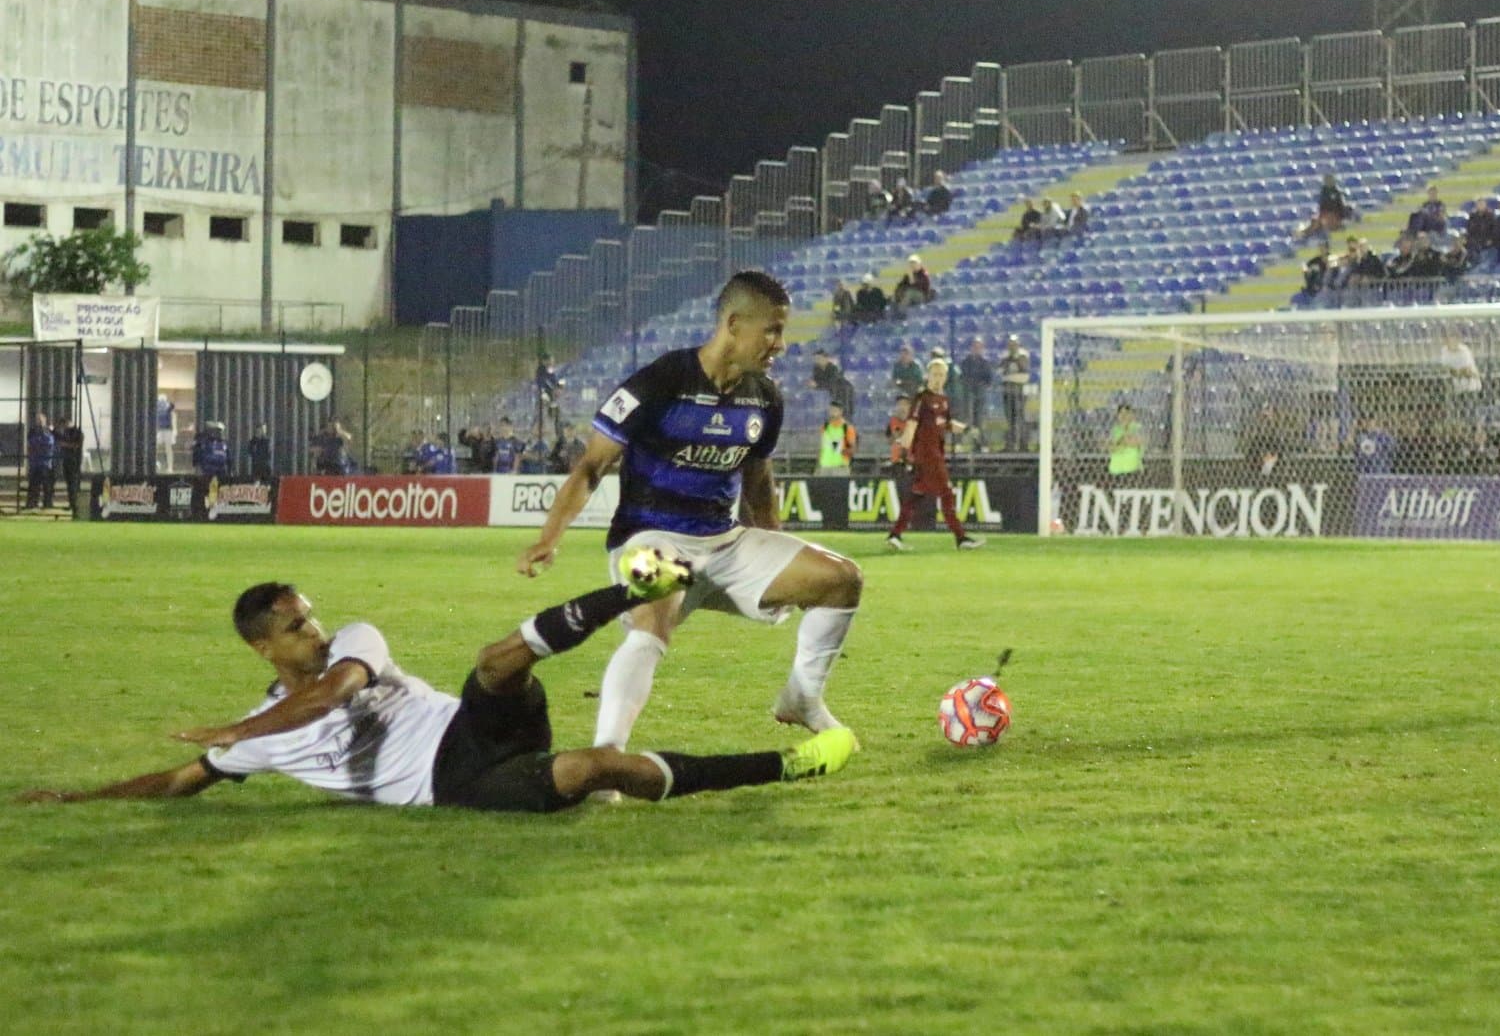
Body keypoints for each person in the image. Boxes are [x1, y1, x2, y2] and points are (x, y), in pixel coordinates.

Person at [16, 556, 856, 811]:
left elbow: (340, 688)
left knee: (497, 659)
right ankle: (788, 766)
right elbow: (176, 780)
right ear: (263, 647)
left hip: (473, 724)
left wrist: (245, 732)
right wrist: (77, 799)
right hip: (455, 780)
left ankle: (632, 592)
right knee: (602, 765)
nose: (314, 628)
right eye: (296, 625)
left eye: (309, 615)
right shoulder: (256, 731)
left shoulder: (355, 642)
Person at [515, 270, 864, 761]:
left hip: (724, 542)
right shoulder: (660, 382)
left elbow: (758, 483)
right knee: (654, 615)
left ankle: (802, 698)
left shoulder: (764, 398)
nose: (780, 345)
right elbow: (592, 465)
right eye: (772, 330)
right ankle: (606, 758)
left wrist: (777, 553)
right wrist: (549, 536)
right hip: (648, 540)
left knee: (842, 579)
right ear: (734, 324)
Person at [886, 359, 983, 552]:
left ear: (946, 378)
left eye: (941, 375)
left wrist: (967, 429)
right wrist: (904, 445)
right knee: (946, 494)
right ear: (928, 376)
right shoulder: (922, 399)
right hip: (927, 455)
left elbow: (946, 424)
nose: (938, 378)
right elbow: (912, 423)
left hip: (935, 453)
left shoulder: (943, 400)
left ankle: (895, 535)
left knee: (916, 495)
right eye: (934, 374)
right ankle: (961, 538)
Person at [958, 338, 993, 451]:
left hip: (980, 395)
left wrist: (981, 385)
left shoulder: (985, 363)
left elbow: (989, 379)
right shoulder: (965, 362)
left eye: (979, 347)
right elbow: (962, 377)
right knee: (967, 419)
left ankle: (981, 444)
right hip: (968, 394)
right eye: (975, 347)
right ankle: (964, 443)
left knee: (980, 421)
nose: (977, 349)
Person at [1439, 329, 1481, 419]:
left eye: (1454, 339)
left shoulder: (1464, 350)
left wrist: (1456, 372)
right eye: (1449, 339)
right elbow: (1446, 369)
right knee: (1456, 414)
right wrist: (1456, 372)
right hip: (1457, 388)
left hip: (1470, 387)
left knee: (1470, 413)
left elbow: (1467, 370)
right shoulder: (1444, 351)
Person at [999, 335, 1030, 451]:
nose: (1012, 347)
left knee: (1020, 417)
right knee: (1010, 419)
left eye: (1014, 344)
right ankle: (1010, 444)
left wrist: (1015, 358)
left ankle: (1023, 444)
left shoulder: (1023, 355)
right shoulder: (1005, 357)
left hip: (1020, 390)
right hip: (1008, 390)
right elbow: (1001, 371)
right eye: (1010, 345)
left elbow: (1024, 369)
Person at [1300, 173, 1352, 239]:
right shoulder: (1323, 191)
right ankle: (1305, 234)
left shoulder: (1337, 192)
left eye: (1330, 180)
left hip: (1336, 214)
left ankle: (1306, 233)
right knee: (1316, 220)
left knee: (1320, 221)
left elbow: (1341, 205)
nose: (1329, 182)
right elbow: (1322, 204)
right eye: (1327, 180)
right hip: (1325, 213)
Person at [53, 414, 84, 516]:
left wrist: (64, 445)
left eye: (64, 424)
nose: (63, 427)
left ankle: (75, 506)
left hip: (74, 462)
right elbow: (59, 437)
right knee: (69, 485)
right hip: (67, 461)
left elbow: (75, 445)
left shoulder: (77, 432)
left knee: (73, 485)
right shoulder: (66, 432)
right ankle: (71, 504)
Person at [25, 412, 57, 510]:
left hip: (46, 463)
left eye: (40, 420)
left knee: (47, 485)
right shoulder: (32, 431)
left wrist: (39, 441)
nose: (38, 422)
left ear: (44, 420)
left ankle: (47, 504)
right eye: (37, 419)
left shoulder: (49, 431)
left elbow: (49, 443)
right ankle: (32, 503)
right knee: (33, 484)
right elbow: (30, 443)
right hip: (35, 463)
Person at [816, 401, 856, 477]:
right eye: (830, 411)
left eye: (834, 411)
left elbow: (852, 449)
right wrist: (818, 467)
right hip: (824, 468)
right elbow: (822, 448)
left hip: (840, 468)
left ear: (841, 412)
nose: (832, 413)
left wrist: (845, 454)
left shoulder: (847, 428)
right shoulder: (825, 427)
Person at [1108, 404, 1144, 478]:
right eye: (1121, 413)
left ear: (1132, 415)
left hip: (1133, 470)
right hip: (1115, 470)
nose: (1123, 416)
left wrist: (1118, 443)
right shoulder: (1114, 430)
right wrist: (1124, 440)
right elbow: (1110, 448)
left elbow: (1135, 442)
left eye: (1127, 413)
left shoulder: (1138, 428)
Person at [154, 393, 177, 473]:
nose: (161, 402)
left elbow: (173, 416)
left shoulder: (168, 407)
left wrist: (174, 431)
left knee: (168, 449)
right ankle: (160, 465)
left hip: (167, 430)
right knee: (156, 447)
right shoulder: (158, 408)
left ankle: (170, 467)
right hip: (161, 430)